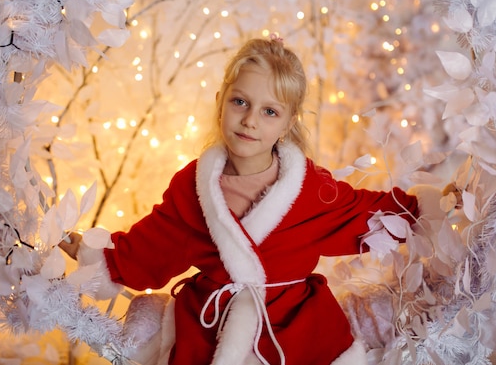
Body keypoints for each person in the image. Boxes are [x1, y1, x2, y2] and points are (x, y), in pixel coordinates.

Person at [60, 35, 423, 365]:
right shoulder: (192, 188)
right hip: (214, 321)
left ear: (287, 124)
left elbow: (367, 214)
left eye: (269, 111)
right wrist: (96, 257)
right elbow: (153, 245)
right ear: (221, 102)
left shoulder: (312, 189)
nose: (250, 120)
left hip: (295, 325)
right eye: (240, 102)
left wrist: (431, 209)